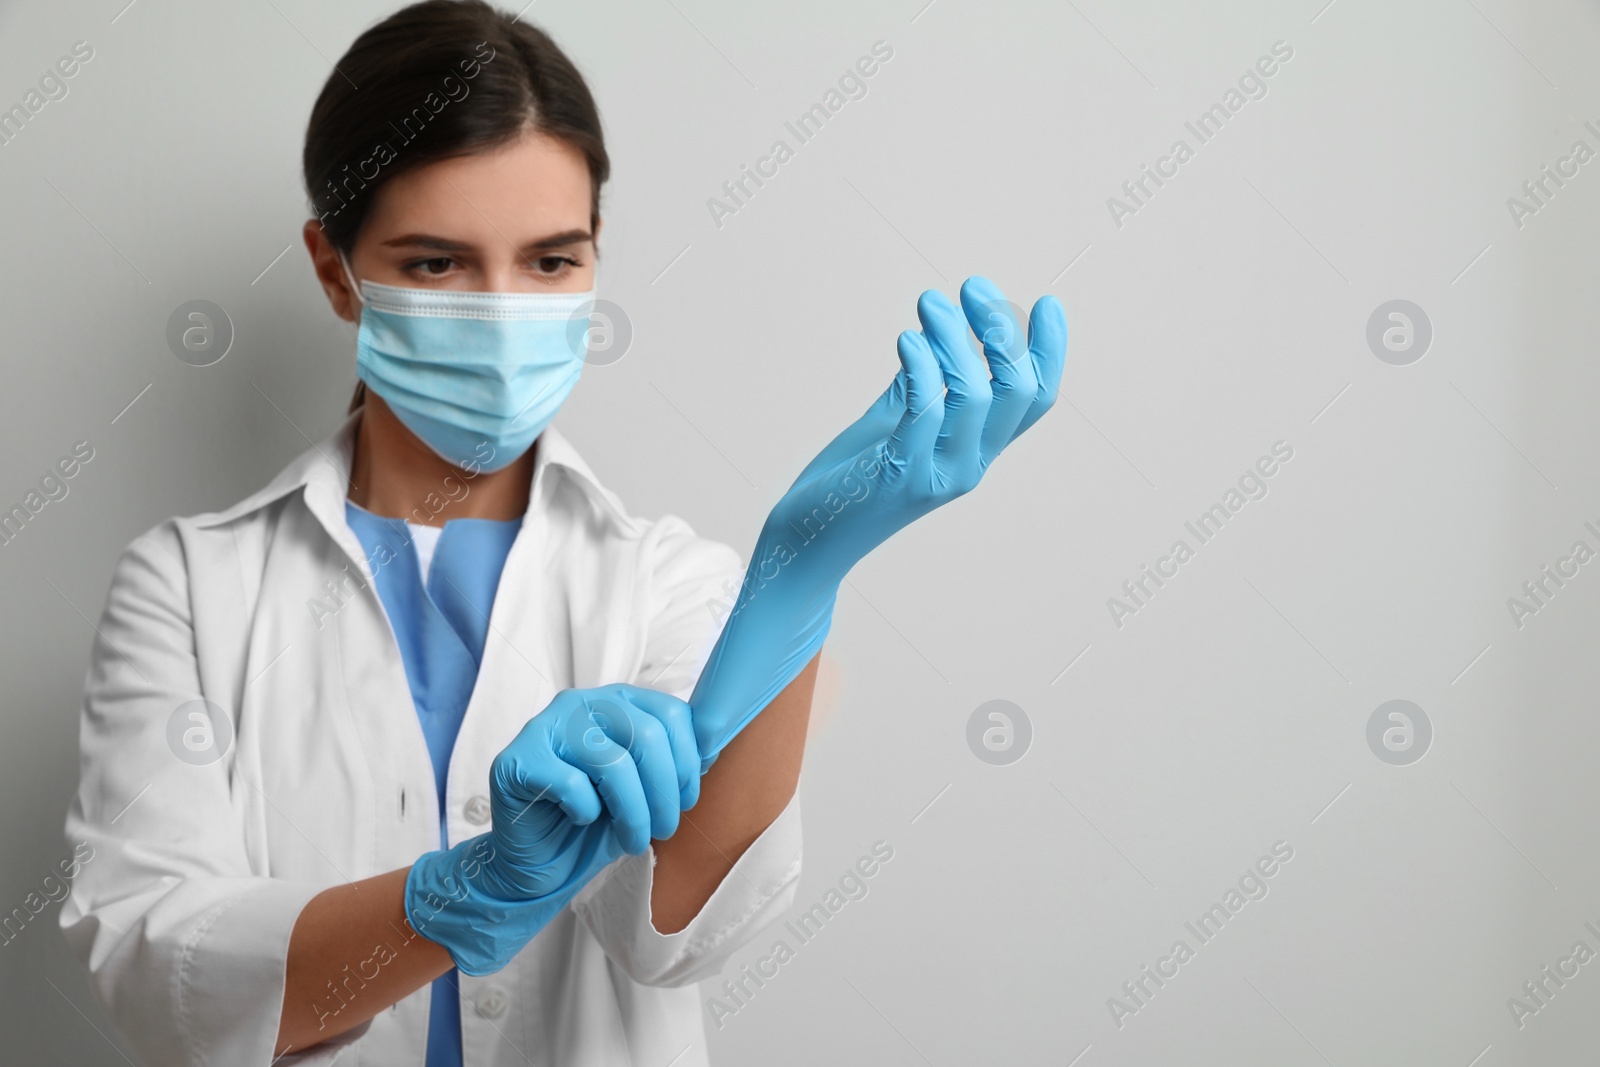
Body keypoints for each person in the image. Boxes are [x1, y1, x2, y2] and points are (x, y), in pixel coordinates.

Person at [59, 2, 1066, 1064]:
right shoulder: (185, 584)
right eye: (438, 263)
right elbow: (154, 968)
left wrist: (803, 569)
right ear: (332, 268)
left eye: (550, 262)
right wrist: (468, 889)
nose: (503, 313)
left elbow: (672, 930)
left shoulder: (672, 579)